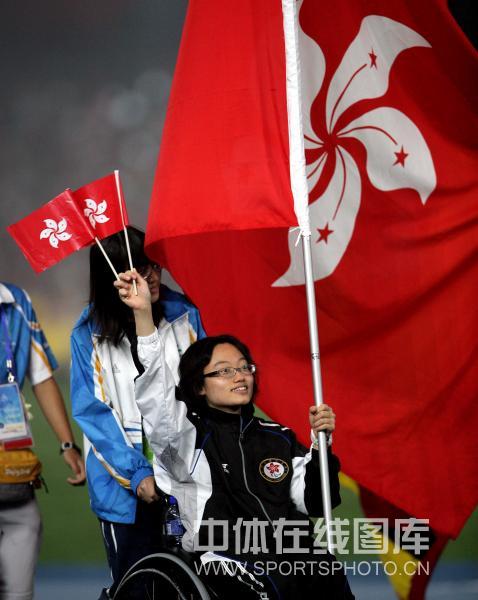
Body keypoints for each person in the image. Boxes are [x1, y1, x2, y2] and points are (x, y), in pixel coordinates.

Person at [115, 269, 354, 598]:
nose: (239, 376)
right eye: (224, 371)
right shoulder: (185, 438)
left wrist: (321, 447)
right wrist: (143, 315)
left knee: (326, 570)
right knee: (272, 583)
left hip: (289, 551)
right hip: (222, 553)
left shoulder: (279, 437)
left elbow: (314, 500)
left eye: (244, 368)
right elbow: (157, 398)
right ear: (199, 386)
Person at [70, 226, 205, 599]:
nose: (153, 278)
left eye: (155, 267)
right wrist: (137, 474)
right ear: (112, 279)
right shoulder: (87, 333)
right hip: (125, 494)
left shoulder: (185, 314)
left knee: (193, 588)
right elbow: (94, 416)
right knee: (136, 589)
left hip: (189, 482)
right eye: (141, 271)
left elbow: (205, 392)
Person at [0, 282, 85, 600]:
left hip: (12, 477)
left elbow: (41, 374)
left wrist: (67, 444)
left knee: (19, 592)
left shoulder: (16, 301)